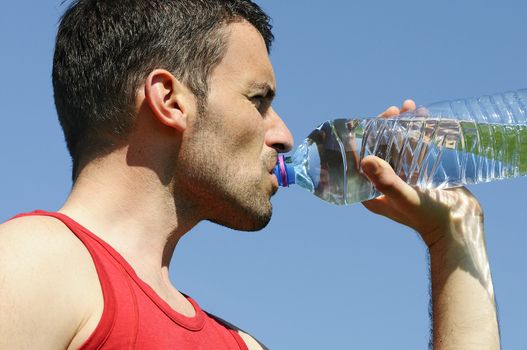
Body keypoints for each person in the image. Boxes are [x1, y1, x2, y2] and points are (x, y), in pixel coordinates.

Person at [0, 0, 500, 349]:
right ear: (169, 100)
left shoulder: (240, 344)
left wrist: (454, 234)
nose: (283, 135)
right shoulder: (35, 265)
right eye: (258, 100)